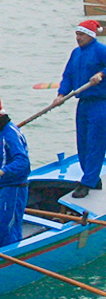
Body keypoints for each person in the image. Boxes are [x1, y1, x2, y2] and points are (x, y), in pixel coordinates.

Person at [56, 20, 106, 195]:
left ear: (90, 35)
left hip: (100, 103)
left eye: (82, 35)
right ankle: (92, 177)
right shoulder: (76, 53)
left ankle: (88, 182)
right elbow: (68, 75)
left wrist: (101, 73)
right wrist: (61, 94)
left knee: (95, 142)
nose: (78, 38)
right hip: (83, 103)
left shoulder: (100, 50)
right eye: (77, 34)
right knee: (82, 142)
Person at [0, 98, 31, 246]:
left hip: (14, 187)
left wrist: (3, 172)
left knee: (10, 227)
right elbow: (0, 161)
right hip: (4, 185)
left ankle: (10, 257)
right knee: (5, 224)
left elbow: (23, 162)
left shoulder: (10, 135)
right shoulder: (2, 133)